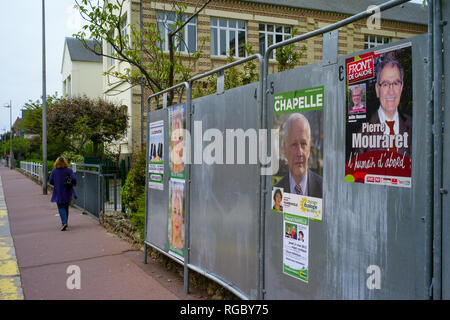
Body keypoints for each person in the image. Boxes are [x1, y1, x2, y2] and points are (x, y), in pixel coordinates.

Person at [362, 55, 412, 157]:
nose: (391, 91)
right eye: (385, 84)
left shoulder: (413, 125)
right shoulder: (362, 133)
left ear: (401, 87)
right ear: (377, 89)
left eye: (396, 83)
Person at [275, 113, 322, 198]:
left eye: (303, 144)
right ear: (285, 149)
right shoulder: (276, 192)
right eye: (294, 144)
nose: (299, 153)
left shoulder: (323, 189)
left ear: (309, 147)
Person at [49, 156, 77, 231]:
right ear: (65, 162)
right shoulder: (69, 170)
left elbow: (50, 180)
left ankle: (64, 223)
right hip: (67, 190)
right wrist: (73, 184)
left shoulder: (54, 171)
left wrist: (56, 184)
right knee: (66, 206)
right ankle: (65, 222)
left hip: (58, 191)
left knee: (61, 207)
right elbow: (74, 179)